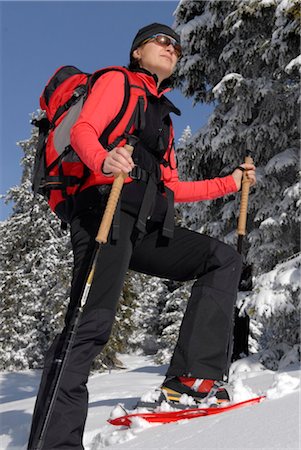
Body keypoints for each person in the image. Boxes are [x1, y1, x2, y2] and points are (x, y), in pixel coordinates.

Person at [28, 23, 256, 449]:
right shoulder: (117, 81)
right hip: (103, 214)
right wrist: (104, 159)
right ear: (137, 53)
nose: (171, 48)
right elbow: (83, 132)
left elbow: (172, 187)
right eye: (160, 41)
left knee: (222, 258)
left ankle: (193, 379)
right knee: (89, 325)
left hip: (146, 224)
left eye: (176, 45)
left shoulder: (162, 116)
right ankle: (55, 441)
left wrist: (229, 183)